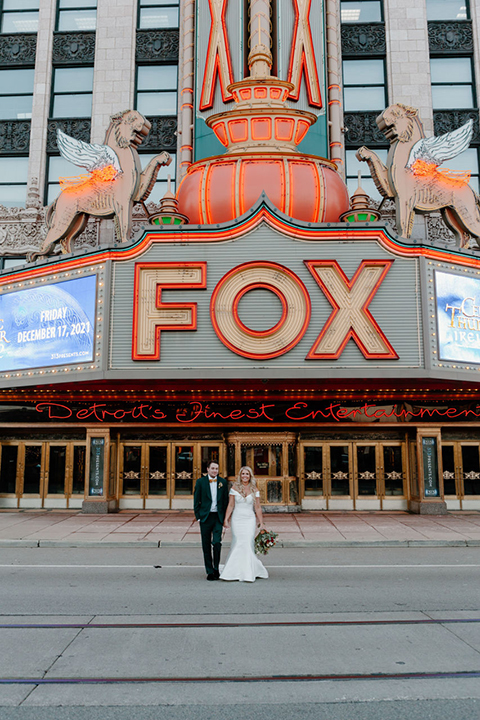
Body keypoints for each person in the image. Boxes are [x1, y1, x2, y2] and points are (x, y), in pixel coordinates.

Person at [220, 466, 269, 583]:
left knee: (247, 543)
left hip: (249, 519)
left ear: (250, 476)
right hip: (237, 519)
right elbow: (231, 505)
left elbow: (257, 507)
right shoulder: (235, 488)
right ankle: (233, 571)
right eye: (243, 474)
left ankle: (248, 572)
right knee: (238, 542)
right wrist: (226, 519)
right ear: (240, 476)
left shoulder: (254, 489)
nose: (245, 476)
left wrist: (261, 523)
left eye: (247, 474)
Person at [193, 460, 229, 581]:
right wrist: (198, 516)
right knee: (206, 544)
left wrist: (225, 517)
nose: (215, 471)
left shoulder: (223, 482)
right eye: (213, 468)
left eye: (216, 469)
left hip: (217, 517)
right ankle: (209, 571)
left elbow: (225, 501)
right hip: (205, 517)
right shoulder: (200, 482)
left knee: (217, 543)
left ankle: (216, 569)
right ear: (207, 469)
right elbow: (196, 500)